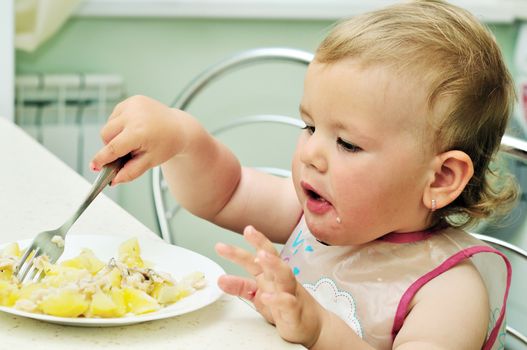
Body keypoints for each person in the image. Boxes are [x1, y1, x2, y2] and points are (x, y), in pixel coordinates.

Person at [90, 0, 518, 348]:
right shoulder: (310, 220)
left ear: (441, 178)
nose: (311, 153)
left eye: (348, 144)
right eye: (310, 127)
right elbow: (225, 192)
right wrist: (183, 138)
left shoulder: (449, 293)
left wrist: (319, 329)